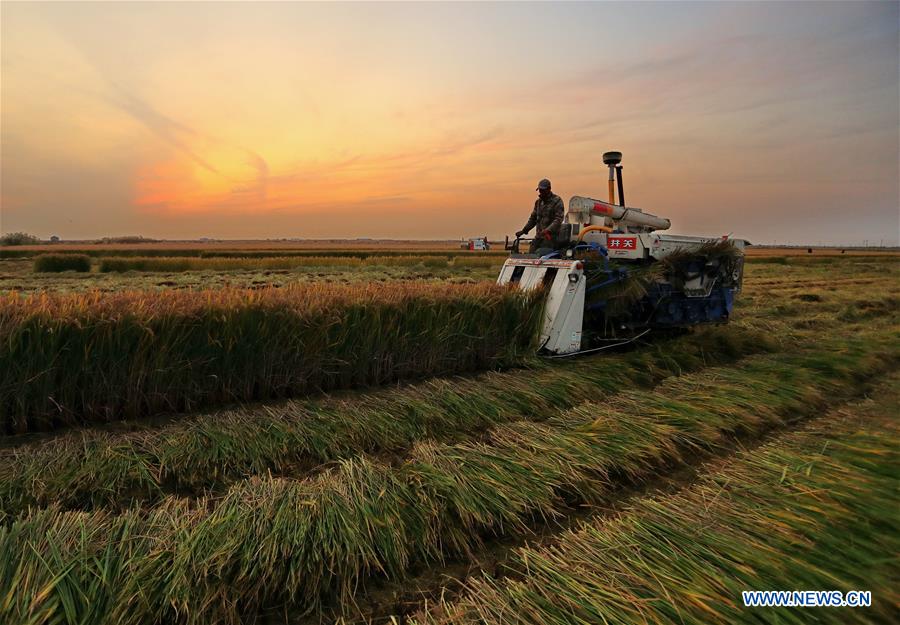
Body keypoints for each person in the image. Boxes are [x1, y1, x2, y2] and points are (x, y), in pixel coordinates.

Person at [516, 178, 564, 253]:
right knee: (531, 255)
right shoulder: (538, 203)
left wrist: (548, 230)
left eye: (543, 190)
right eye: (540, 190)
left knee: (542, 255)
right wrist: (524, 230)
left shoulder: (557, 201)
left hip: (551, 238)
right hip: (539, 237)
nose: (541, 192)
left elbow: (558, 219)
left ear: (549, 189)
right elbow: (533, 219)